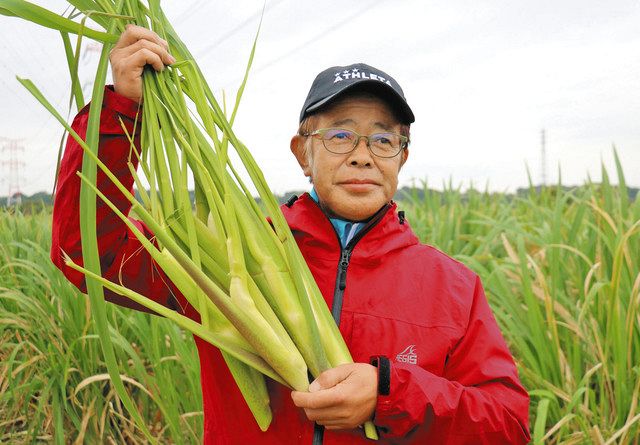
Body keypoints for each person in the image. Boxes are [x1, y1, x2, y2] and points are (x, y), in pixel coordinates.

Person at [51, 25, 531, 444]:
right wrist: (123, 111)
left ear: (401, 159)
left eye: (383, 139)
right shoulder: (230, 255)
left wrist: (389, 393)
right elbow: (91, 254)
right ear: (303, 153)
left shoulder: (452, 287)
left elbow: (508, 425)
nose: (363, 155)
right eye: (340, 136)